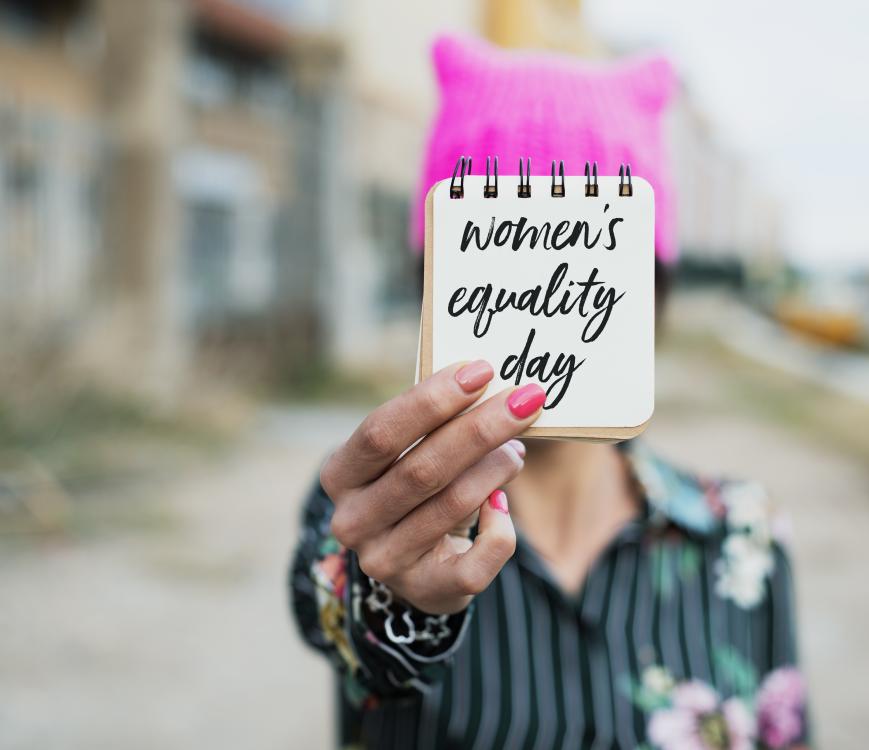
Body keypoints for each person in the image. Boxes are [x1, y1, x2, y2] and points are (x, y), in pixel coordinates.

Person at [290, 36, 809, 750]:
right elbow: (336, 617)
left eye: (587, 260)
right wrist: (394, 600)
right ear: (433, 288)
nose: (541, 300)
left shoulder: (744, 537)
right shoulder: (369, 515)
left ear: (652, 293)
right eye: (501, 255)